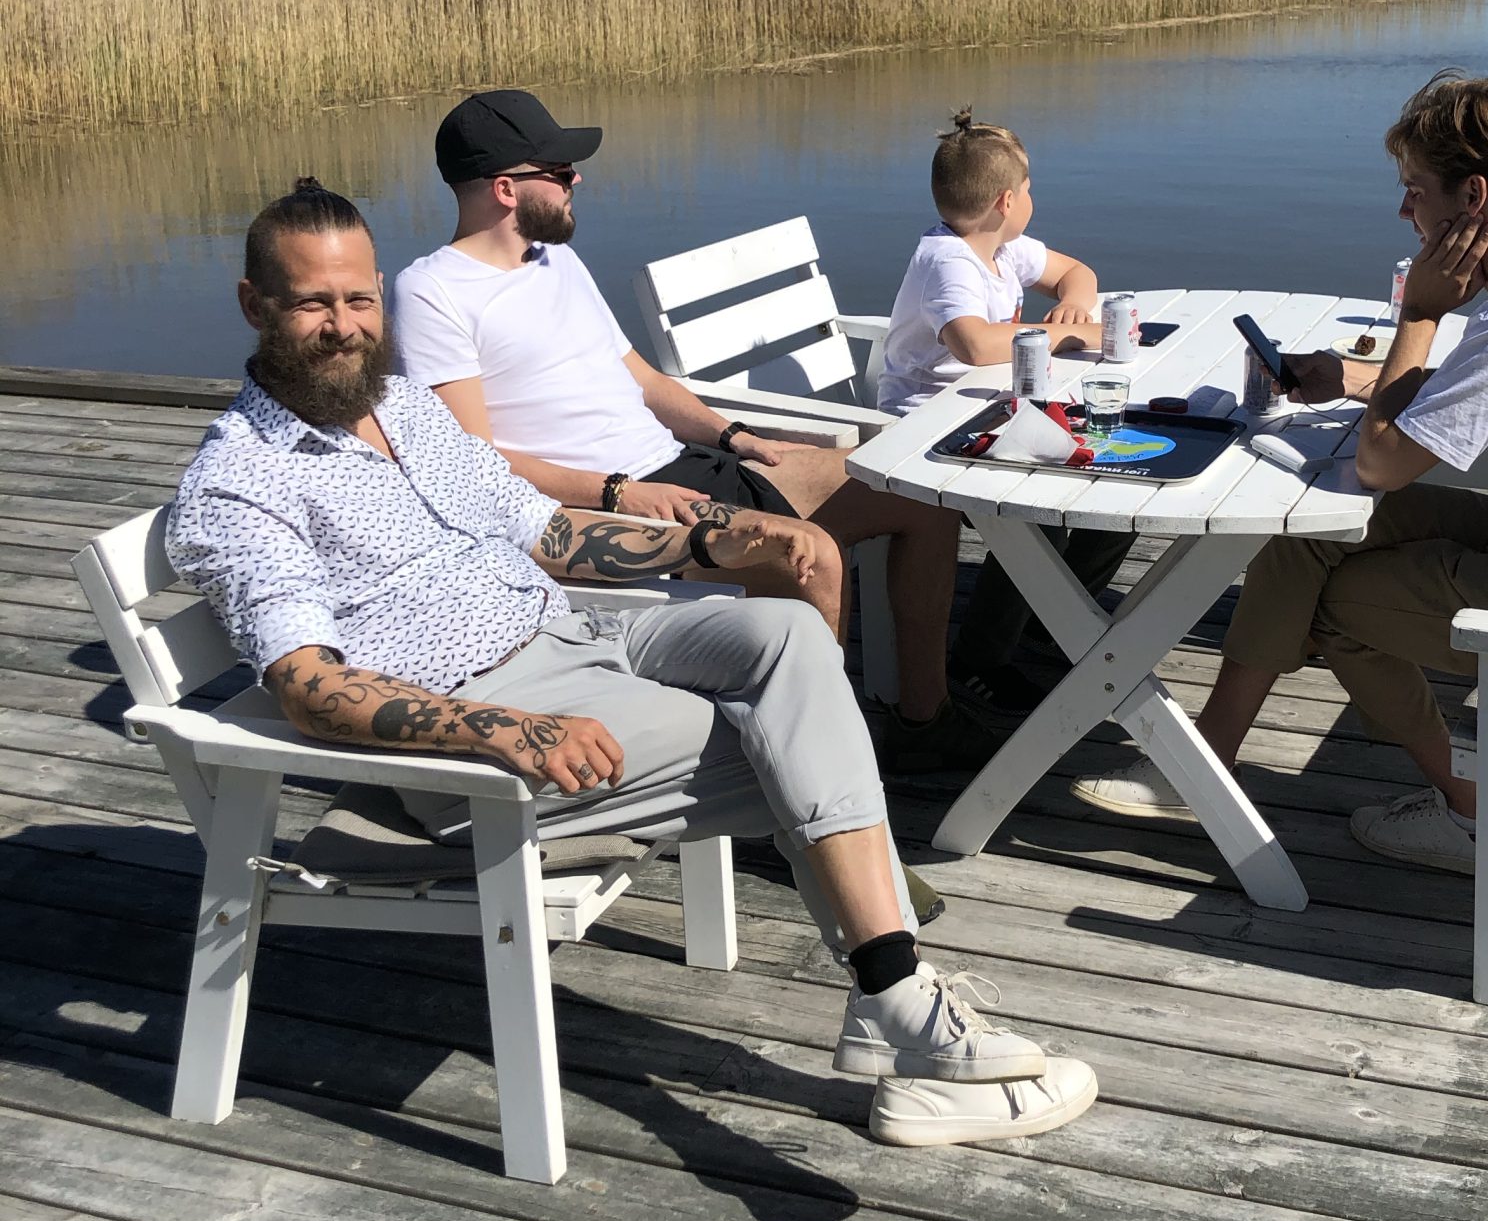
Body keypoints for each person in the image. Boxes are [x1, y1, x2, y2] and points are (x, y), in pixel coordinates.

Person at [168, 177, 1097, 1149]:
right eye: (313, 303)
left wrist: (711, 541)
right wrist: (504, 729)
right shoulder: (241, 481)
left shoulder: (401, 406)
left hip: (575, 633)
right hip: (483, 728)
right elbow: (308, 684)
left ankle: (892, 1007)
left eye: (360, 298)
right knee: (793, 731)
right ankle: (904, 1010)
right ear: (254, 305)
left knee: (787, 638)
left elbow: (544, 530)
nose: (345, 326)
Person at [1075, 74, 1488, 875]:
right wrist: (1355, 379)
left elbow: (1382, 463)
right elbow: (1484, 391)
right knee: (1307, 538)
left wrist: (1422, 313)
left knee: (1336, 605)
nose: (1405, 213)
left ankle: (1470, 812)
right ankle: (1207, 763)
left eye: (1415, 191)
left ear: (1472, 198)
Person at [387, 90, 983, 782]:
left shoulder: (552, 261)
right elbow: (471, 462)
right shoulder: (432, 292)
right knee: (809, 558)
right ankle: (824, 773)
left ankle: (921, 720)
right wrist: (619, 492)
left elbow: (640, 377)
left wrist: (733, 435)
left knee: (918, 489)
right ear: (505, 188)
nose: (577, 178)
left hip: (682, 467)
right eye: (560, 170)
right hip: (606, 514)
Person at [876, 110, 1135, 729]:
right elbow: (971, 343)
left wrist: (1075, 305)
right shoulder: (948, 260)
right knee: (1040, 509)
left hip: (992, 410)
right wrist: (1072, 337)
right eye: (1029, 189)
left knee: (1117, 469)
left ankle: (1053, 616)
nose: (1032, 199)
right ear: (1006, 200)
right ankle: (980, 659)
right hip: (926, 429)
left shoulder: (1004, 248)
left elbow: (1076, 273)